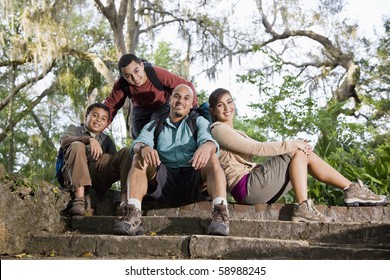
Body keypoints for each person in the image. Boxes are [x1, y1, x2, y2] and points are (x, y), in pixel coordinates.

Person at [208, 88, 388, 222]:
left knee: (303, 153)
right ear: (213, 110)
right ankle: (305, 206)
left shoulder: (236, 131)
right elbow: (258, 148)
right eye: (220, 105)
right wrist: (294, 144)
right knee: (297, 150)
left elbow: (250, 159)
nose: (227, 107)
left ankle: (351, 190)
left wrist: (296, 145)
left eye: (229, 101)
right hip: (247, 188)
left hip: (255, 187)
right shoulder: (218, 129)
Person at [113, 84, 230, 236]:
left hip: (193, 180)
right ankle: (133, 216)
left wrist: (207, 146)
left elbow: (209, 140)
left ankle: (221, 216)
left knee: (212, 156)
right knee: (138, 156)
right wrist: (144, 148)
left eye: (186, 98)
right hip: (163, 183)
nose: (181, 101)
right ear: (170, 100)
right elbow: (137, 143)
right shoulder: (155, 124)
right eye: (177, 96)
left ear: (191, 103)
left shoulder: (199, 121)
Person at [60, 102, 132, 216]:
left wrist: (108, 156)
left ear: (106, 123)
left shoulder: (107, 140)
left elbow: (116, 162)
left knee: (127, 152)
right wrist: (87, 139)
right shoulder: (74, 129)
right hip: (75, 174)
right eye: (95, 115)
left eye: (103, 118)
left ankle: (125, 202)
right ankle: (79, 200)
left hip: (98, 176)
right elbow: (64, 141)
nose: (98, 120)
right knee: (77, 145)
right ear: (86, 116)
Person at [104, 54, 198, 139]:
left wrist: (192, 108)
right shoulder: (121, 85)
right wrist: (98, 128)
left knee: (154, 128)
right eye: (128, 76)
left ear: (142, 66)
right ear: (123, 77)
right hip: (140, 109)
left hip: (161, 105)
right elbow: (110, 107)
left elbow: (187, 85)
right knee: (138, 135)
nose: (135, 78)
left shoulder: (156, 73)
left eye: (136, 71)